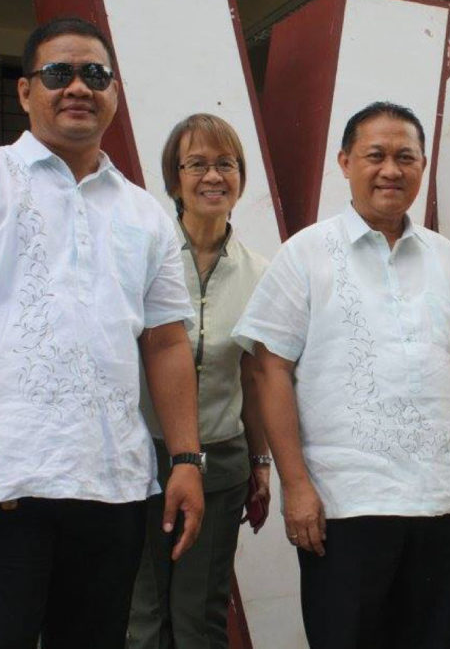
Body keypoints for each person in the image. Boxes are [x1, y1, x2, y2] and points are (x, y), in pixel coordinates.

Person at [0, 17, 204, 648]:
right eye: (59, 73)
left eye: (95, 74)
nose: (78, 87)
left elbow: (166, 341)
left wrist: (187, 459)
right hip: (2, 480)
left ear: (114, 91)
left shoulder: (145, 212)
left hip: (115, 486)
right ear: (26, 92)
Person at [232, 101, 450, 649]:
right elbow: (270, 371)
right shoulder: (305, 254)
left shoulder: (448, 259)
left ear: (422, 167)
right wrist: (297, 485)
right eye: (375, 155)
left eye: (405, 157)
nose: (391, 170)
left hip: (438, 498)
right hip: (344, 504)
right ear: (344, 161)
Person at [127, 114, 271, 649]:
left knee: (200, 617)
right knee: (142, 615)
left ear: (240, 178)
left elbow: (255, 376)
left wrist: (261, 462)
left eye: (225, 164)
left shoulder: (260, 270)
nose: (213, 177)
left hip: (221, 462)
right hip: (141, 460)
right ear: (174, 179)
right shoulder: (146, 258)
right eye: (197, 165)